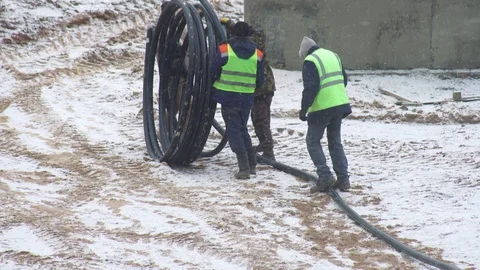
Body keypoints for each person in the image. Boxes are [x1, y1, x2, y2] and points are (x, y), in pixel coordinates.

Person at [211, 21, 265, 179]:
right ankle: (252, 164)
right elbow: (260, 80)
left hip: (228, 97)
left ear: (232, 33)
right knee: (242, 129)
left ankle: (244, 168)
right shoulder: (257, 53)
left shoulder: (224, 49)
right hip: (246, 98)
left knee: (234, 132)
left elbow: (213, 70)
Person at [298, 36, 352, 193]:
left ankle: (325, 176)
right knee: (335, 141)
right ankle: (343, 179)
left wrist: (303, 109)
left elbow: (310, 88)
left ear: (305, 52)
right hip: (340, 104)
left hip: (323, 107)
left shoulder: (310, 61)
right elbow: (344, 80)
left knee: (312, 141)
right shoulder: (332, 55)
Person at [220, 18, 277, 161]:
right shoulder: (251, 41)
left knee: (260, 120)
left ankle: (268, 151)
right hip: (254, 87)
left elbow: (248, 41)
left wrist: (231, 25)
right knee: (255, 119)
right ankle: (264, 148)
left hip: (262, 88)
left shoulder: (255, 42)